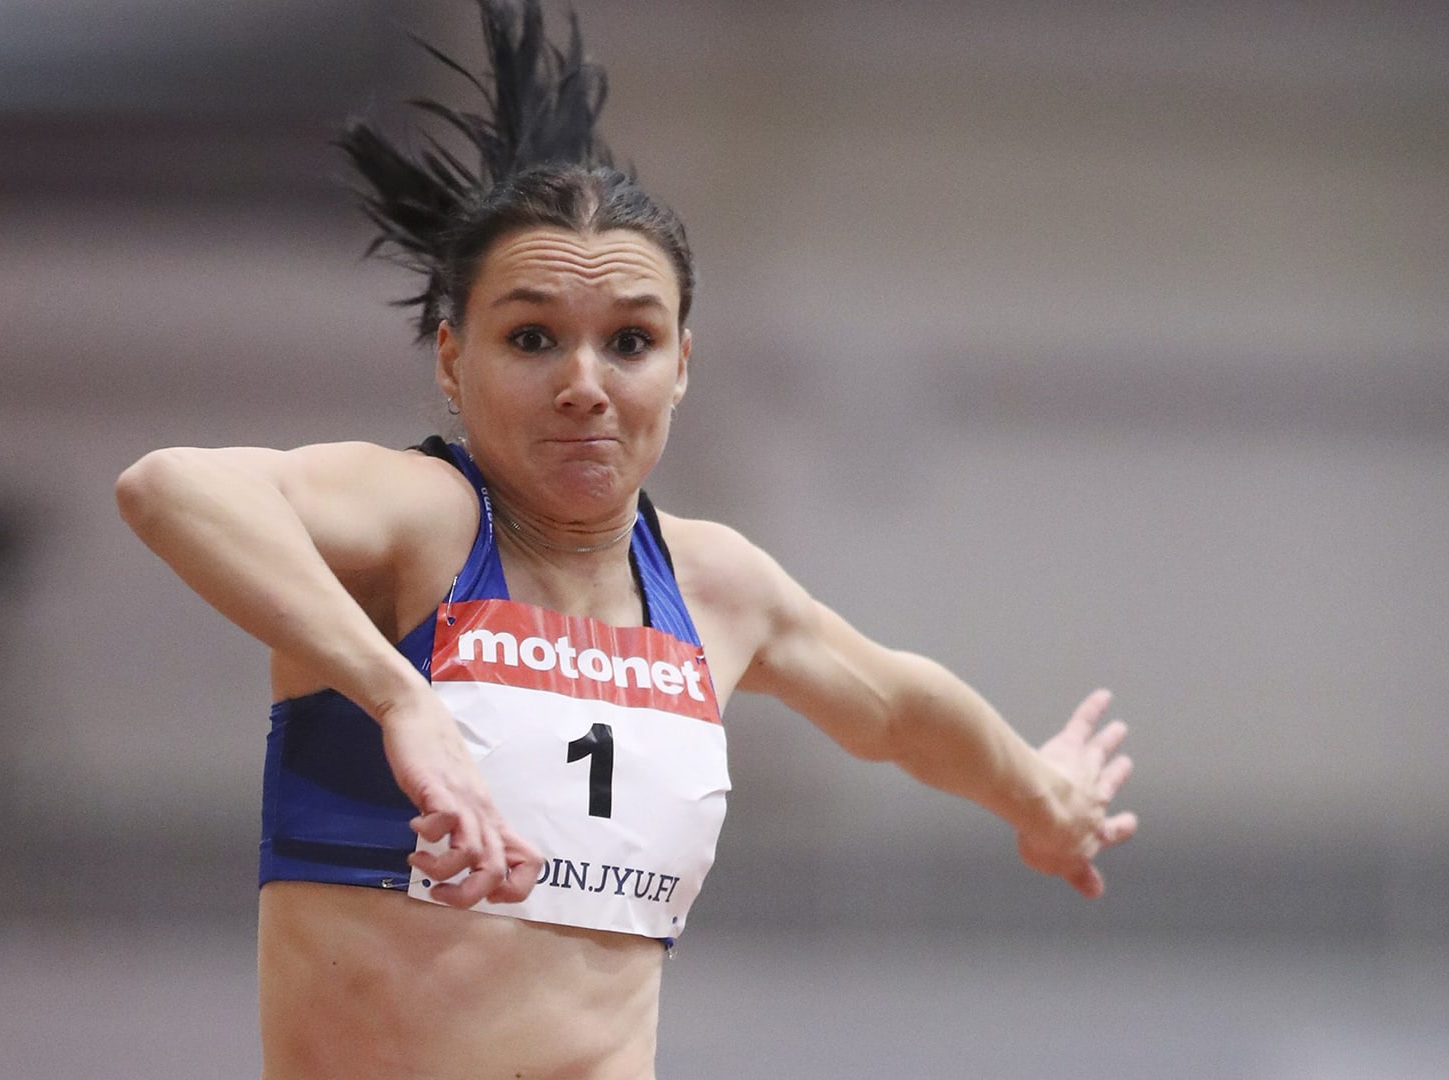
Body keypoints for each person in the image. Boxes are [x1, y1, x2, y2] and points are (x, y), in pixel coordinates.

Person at [116, 3, 1137, 1076]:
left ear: (682, 364)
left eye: (630, 341)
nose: (584, 385)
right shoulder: (424, 522)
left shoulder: (713, 586)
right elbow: (171, 489)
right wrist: (400, 697)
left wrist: (1040, 797)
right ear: (453, 360)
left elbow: (895, 708)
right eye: (532, 338)